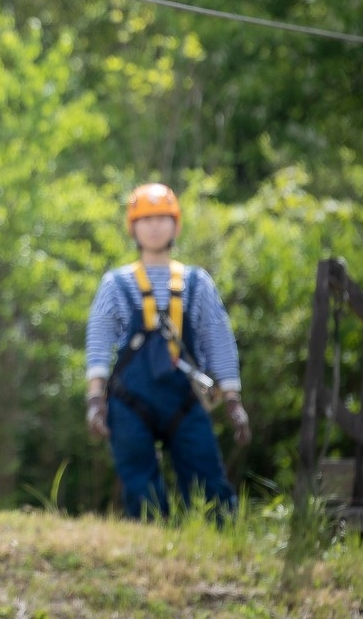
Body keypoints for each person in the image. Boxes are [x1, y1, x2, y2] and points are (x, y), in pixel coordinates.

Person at [84, 183, 252, 519]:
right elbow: (99, 340)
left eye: (162, 218)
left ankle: (221, 550)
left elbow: (216, 337)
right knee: (140, 488)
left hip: (185, 400)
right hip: (129, 401)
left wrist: (232, 396)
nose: (155, 226)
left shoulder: (196, 282)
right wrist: (95, 399)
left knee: (209, 484)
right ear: (133, 227)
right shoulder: (116, 284)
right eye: (146, 219)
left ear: (175, 224)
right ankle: (149, 554)